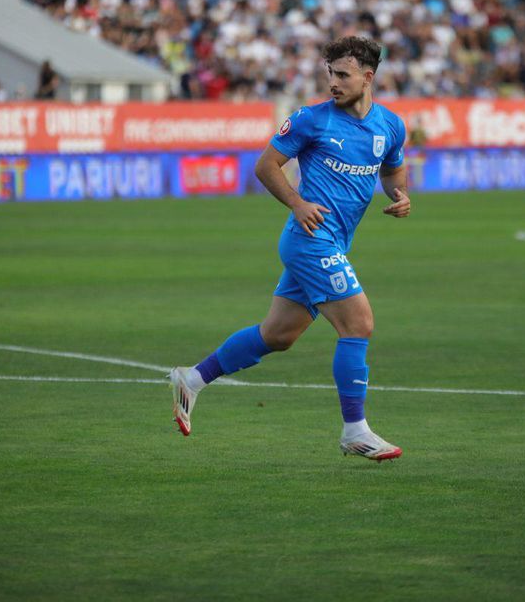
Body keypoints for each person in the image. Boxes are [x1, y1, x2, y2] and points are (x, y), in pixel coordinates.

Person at [169, 36, 411, 460]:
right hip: (310, 239)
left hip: (333, 242)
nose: (333, 82)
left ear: (368, 77)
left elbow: (392, 169)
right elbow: (266, 166)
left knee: (278, 335)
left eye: (343, 75)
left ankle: (192, 379)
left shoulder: (390, 125)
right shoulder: (311, 120)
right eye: (330, 73)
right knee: (358, 324)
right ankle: (355, 430)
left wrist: (399, 194)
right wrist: (297, 203)